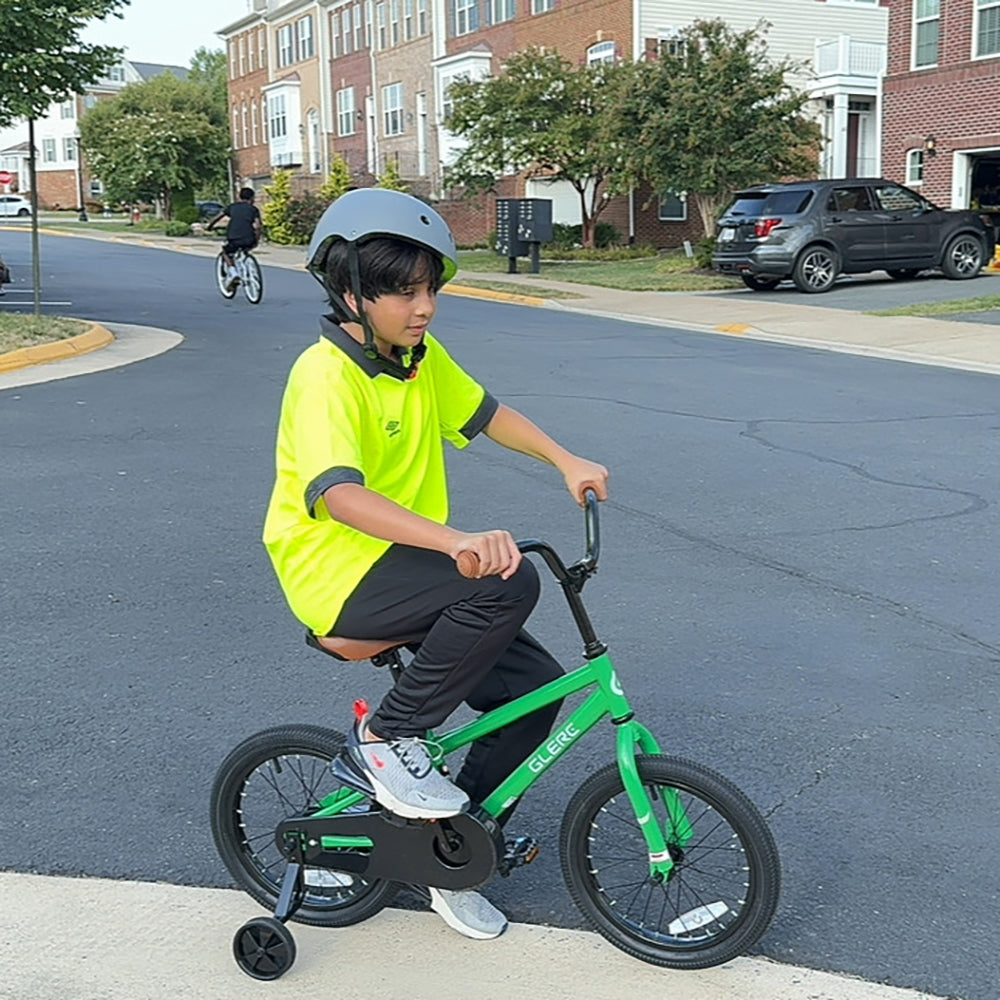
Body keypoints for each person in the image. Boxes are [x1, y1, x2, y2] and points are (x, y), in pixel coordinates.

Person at [262, 187, 608, 940]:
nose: (424, 309)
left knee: (534, 693)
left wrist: (565, 458)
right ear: (351, 293)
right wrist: (454, 543)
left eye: (430, 290)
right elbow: (339, 496)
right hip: (337, 573)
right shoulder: (325, 375)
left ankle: (450, 858)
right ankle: (386, 741)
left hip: (408, 569)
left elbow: (486, 414)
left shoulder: (418, 361)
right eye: (404, 293)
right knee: (509, 578)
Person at [207, 187, 261, 289]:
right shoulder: (254, 209)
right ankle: (247, 268)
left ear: (239, 197)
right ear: (252, 198)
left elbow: (218, 217)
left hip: (234, 238)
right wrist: (256, 240)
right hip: (249, 238)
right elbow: (257, 226)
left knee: (226, 252)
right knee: (245, 248)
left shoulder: (232, 207)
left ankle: (233, 272)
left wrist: (210, 226)